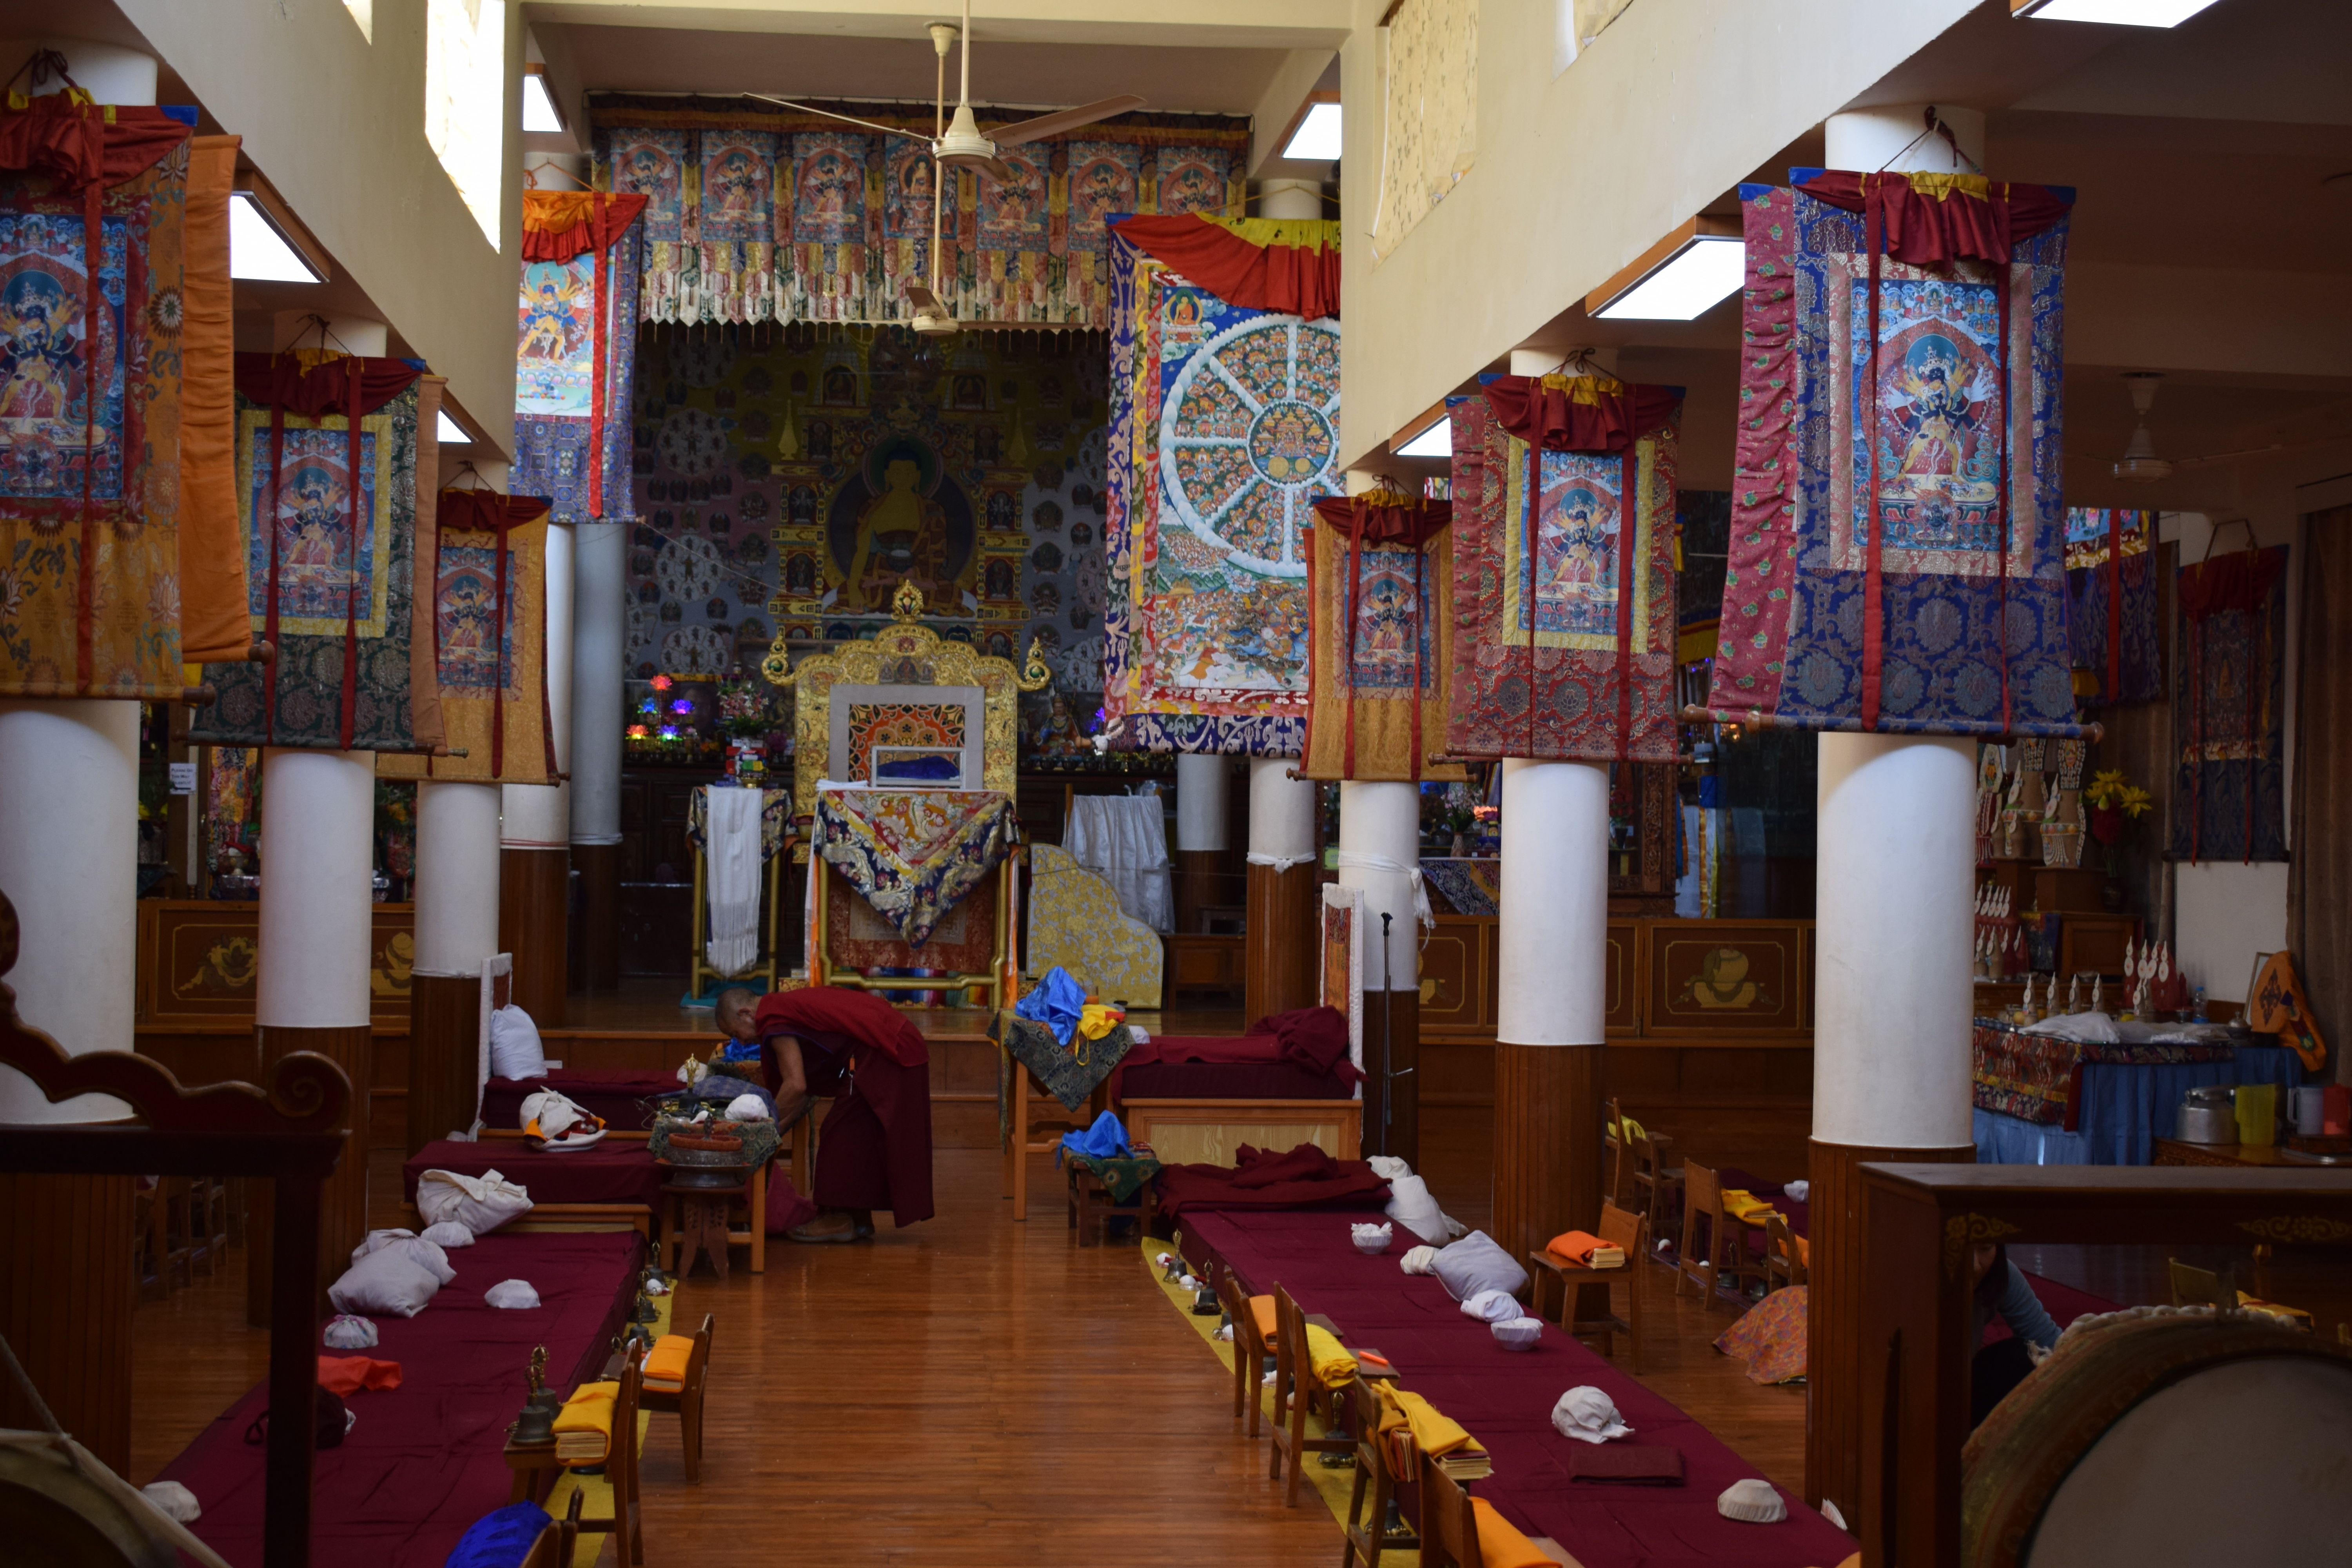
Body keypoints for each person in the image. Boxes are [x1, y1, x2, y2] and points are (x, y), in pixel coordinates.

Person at [716, 985, 934, 1243]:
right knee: (856, 1133)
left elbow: (796, 1086)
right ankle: (858, 1219)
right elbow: (803, 1094)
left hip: (884, 1049)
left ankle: (838, 1218)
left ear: (745, 1014)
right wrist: (771, 1133)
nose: (740, 1042)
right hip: (882, 1045)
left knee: (838, 1132)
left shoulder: (772, 1021)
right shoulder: (779, 1008)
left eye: (735, 1034)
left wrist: (760, 1126)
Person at [1969, 1240, 2061, 1428]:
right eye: (1962, 1250)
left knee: (2024, 1355)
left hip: (1964, 1390)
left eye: (1985, 1248)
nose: (1975, 1266)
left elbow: (2052, 1345)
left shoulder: (2000, 1273)